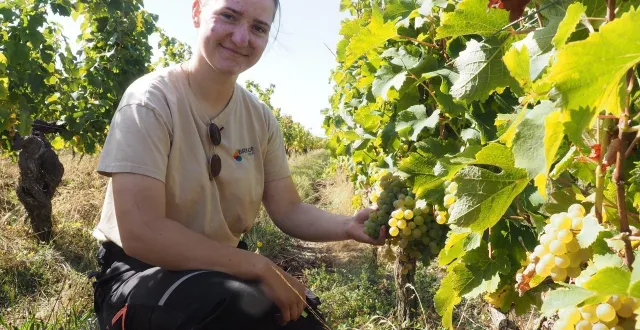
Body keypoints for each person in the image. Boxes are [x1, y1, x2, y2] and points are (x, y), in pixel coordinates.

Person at [89, 0, 386, 329]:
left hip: (220, 270)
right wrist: (258, 266)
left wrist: (348, 226)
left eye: (259, 28)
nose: (242, 38)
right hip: (140, 272)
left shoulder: (260, 118)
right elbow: (143, 232)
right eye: (228, 16)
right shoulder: (150, 101)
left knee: (302, 318)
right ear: (197, 11)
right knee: (234, 311)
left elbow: (288, 210)